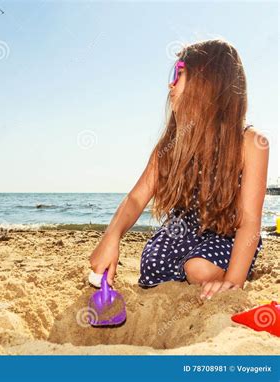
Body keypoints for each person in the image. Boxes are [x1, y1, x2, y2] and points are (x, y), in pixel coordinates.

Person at [89, 39, 269, 300]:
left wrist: (233, 282)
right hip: (181, 232)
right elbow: (137, 197)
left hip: (226, 234)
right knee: (153, 265)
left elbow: (250, 222)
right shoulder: (172, 144)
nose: (170, 85)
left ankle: (224, 269)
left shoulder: (250, 143)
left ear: (207, 81)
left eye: (178, 74)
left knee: (199, 269)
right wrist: (112, 236)